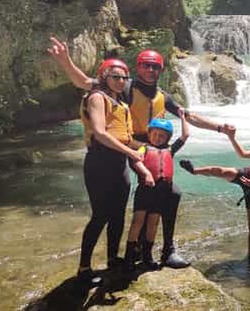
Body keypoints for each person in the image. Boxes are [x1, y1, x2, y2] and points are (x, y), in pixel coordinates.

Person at [48, 37, 232, 268]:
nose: (151, 70)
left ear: (160, 70)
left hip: (151, 148)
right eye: (146, 65)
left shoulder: (162, 96)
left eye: (156, 66)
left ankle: (164, 250)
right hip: (128, 147)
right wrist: (65, 61)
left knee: (171, 194)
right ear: (138, 67)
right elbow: (84, 82)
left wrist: (218, 127)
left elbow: (188, 116)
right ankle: (132, 250)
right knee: (134, 197)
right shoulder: (122, 85)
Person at [73, 58, 144, 286]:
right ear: (105, 77)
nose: (121, 81)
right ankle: (84, 268)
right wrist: (132, 154)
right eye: (116, 76)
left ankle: (113, 258)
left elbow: (127, 137)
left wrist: (144, 148)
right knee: (100, 215)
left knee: (118, 214)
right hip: (99, 163)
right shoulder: (96, 97)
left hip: (118, 164)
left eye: (124, 77)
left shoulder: (120, 103)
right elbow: (100, 133)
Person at [179, 129, 250, 265]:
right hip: (246, 175)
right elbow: (243, 154)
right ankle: (194, 171)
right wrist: (232, 137)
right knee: (223, 171)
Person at [124, 115, 189, 272]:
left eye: (162, 136)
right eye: (155, 134)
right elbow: (136, 160)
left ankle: (147, 255)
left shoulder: (170, 149)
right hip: (146, 190)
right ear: (149, 134)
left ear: (167, 138)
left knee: (153, 222)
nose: (158, 138)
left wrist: (183, 116)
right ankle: (130, 256)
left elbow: (185, 136)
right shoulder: (144, 148)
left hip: (161, 192)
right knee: (137, 222)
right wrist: (146, 173)